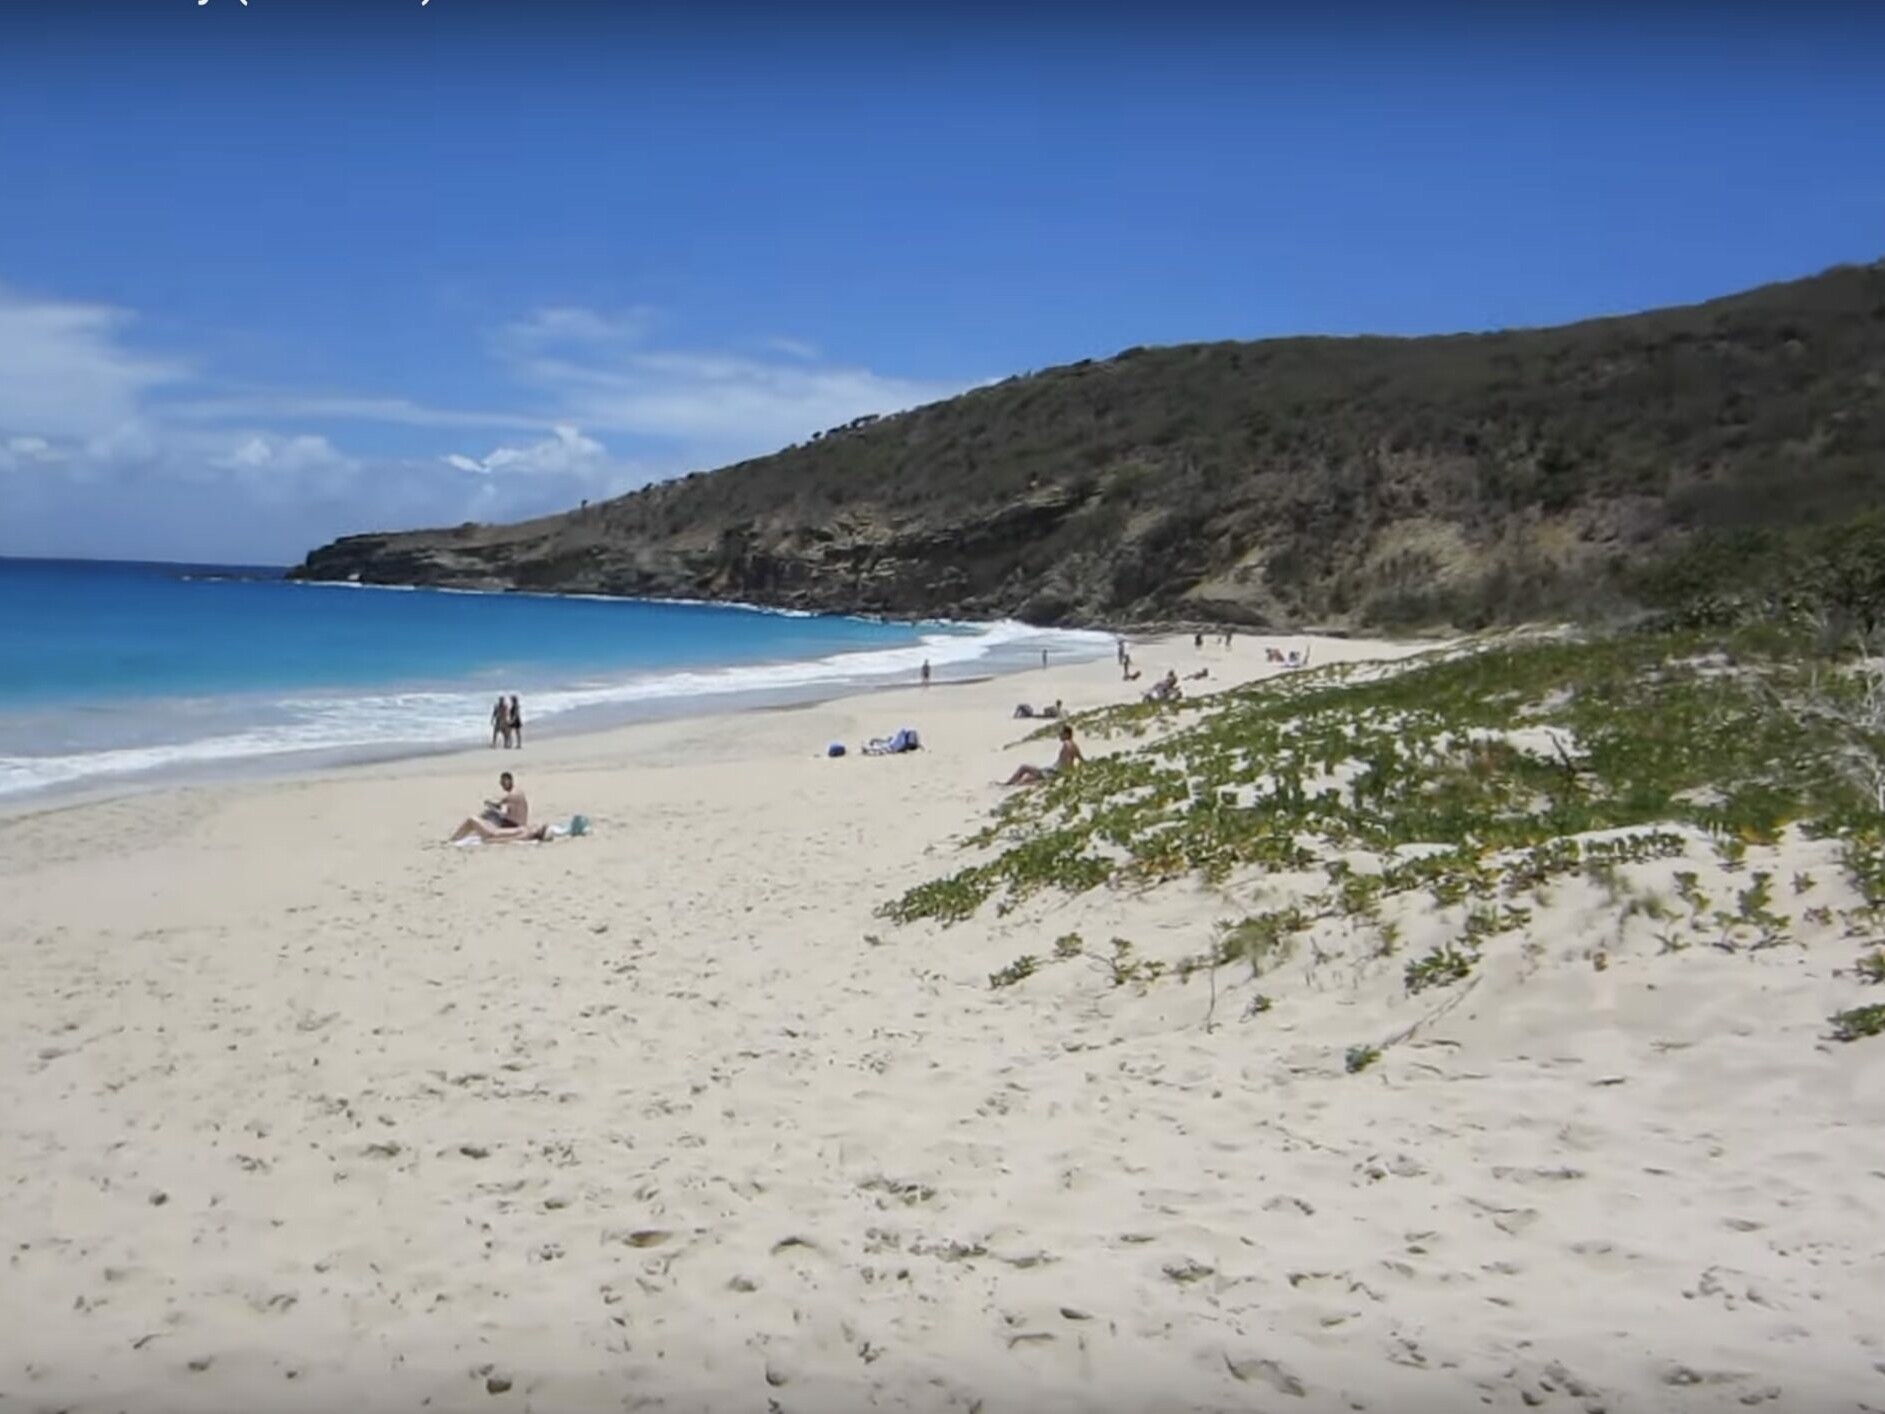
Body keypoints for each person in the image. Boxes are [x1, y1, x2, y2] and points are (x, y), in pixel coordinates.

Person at [452, 771, 545, 843]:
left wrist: (490, 841)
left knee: (473, 819)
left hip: (497, 832)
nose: (536, 825)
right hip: (500, 830)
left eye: (503, 783)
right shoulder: (525, 830)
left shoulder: (525, 832)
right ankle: (456, 839)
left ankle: (453, 840)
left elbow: (509, 840)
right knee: (480, 819)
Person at [1002, 723, 1083, 787]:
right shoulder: (1075, 746)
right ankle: (1013, 784)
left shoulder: (1066, 744)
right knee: (1028, 779)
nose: (1059, 735)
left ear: (1066, 734)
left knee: (1024, 767)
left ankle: (1008, 784)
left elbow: (1066, 762)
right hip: (1055, 772)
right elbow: (1080, 759)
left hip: (1053, 773)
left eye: (1061, 733)